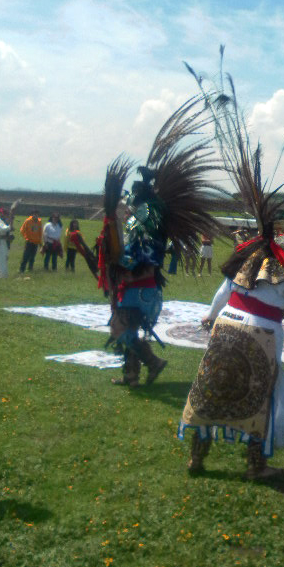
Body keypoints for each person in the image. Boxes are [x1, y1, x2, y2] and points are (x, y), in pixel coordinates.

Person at [177, 76, 284, 478]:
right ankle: (255, 466)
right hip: (262, 334)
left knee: (211, 387)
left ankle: (197, 457)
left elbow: (223, 292)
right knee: (259, 395)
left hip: (226, 325)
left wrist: (208, 316)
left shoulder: (247, 259)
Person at [98, 98, 221, 389]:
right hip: (142, 292)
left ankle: (153, 362)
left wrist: (118, 262)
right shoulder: (149, 229)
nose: (129, 209)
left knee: (121, 330)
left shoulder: (145, 229)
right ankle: (132, 376)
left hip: (141, 292)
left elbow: (140, 264)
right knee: (127, 329)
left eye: (132, 205)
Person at [0, 213, 12, 278]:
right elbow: (3, 229)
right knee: (0, 259)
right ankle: (1, 275)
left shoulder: (0, 221)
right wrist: (10, 226)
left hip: (0, 241)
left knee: (0, 258)